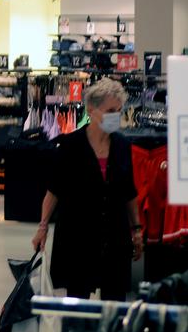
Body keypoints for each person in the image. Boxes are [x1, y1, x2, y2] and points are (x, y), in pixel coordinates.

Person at [31, 78, 143, 301]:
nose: (116, 116)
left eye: (119, 110)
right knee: (77, 301)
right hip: (78, 236)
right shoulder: (70, 145)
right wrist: (42, 227)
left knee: (115, 302)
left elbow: (129, 191)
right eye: (110, 110)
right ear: (91, 110)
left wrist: (137, 229)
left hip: (115, 235)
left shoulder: (122, 145)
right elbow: (53, 191)